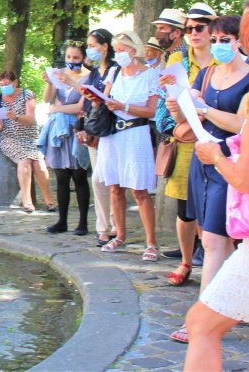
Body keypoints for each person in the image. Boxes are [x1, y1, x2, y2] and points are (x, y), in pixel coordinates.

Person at [167, 14, 249, 343]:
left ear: (240, 41)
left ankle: (203, 317)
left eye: (225, 40)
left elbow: (243, 127)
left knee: (215, 241)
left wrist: (203, 109)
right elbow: (184, 111)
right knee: (214, 236)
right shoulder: (205, 73)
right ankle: (232, 306)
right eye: (214, 39)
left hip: (231, 163)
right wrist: (176, 100)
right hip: (202, 160)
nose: (218, 45)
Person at [158, 3, 217, 287]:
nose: (194, 33)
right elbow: (169, 108)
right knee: (186, 208)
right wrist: (175, 116)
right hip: (186, 143)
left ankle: (215, 263)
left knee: (217, 208)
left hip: (220, 140)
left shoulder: (225, 59)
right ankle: (186, 260)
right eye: (189, 28)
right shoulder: (177, 62)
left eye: (200, 27)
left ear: (212, 28)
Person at [90, 31, 160, 261]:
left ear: (134, 50)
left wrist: (125, 106)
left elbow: (151, 111)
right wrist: (97, 100)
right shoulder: (114, 72)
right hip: (113, 134)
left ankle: (151, 242)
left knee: (139, 189)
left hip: (136, 132)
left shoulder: (150, 75)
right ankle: (119, 234)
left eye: (122, 50)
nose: (118, 54)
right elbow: (106, 98)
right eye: (116, 50)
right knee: (115, 186)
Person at [40, 41, 91, 235]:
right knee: (61, 176)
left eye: (76, 58)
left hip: (78, 125)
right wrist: (50, 82)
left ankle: (83, 222)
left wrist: (57, 108)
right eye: (69, 57)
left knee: (79, 175)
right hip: (59, 128)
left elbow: (81, 105)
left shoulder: (88, 76)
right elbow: (47, 99)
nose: (71, 61)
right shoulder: (59, 73)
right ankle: (62, 220)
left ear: (83, 58)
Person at [0, 70, 54, 212]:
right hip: (9, 139)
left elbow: (30, 119)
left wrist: (16, 117)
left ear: (15, 83)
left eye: (6, 84)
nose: (4, 87)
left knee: (39, 164)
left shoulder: (27, 95)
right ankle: (27, 201)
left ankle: (49, 200)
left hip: (29, 138)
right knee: (24, 160)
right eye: (1, 84)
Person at [80, 28, 118, 246]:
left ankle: (113, 225)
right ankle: (103, 227)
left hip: (110, 129)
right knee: (99, 179)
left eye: (93, 45)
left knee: (104, 179)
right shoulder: (94, 73)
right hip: (95, 130)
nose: (89, 49)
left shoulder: (114, 70)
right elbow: (87, 102)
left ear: (105, 47)